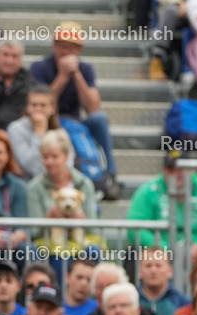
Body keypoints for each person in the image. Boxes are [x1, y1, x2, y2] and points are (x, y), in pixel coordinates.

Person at [30, 21, 119, 200]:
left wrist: (76, 75)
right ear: (54, 46)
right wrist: (63, 77)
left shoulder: (85, 69)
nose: (67, 52)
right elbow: (43, 103)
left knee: (100, 119)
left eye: (72, 48)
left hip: (75, 121)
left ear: (79, 50)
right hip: (47, 120)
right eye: (63, 47)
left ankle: (110, 174)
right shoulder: (39, 67)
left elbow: (93, 107)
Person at [127, 150, 197, 261]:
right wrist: (163, 249)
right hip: (160, 256)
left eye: (180, 169)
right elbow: (134, 227)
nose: (175, 174)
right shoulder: (149, 191)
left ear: (191, 170)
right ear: (163, 171)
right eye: (171, 169)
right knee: (133, 253)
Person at [25, 128, 98, 250]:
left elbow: (94, 229)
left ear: (66, 156)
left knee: (94, 251)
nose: (49, 162)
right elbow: (33, 234)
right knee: (58, 257)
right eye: (45, 157)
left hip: (80, 245)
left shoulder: (85, 184)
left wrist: (81, 220)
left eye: (54, 156)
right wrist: (49, 219)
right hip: (48, 246)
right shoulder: (34, 187)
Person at [6, 85, 63, 180]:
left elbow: (67, 165)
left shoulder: (59, 132)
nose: (38, 109)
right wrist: (39, 132)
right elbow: (33, 167)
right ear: (27, 108)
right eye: (34, 105)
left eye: (43, 105)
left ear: (53, 108)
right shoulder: (16, 129)